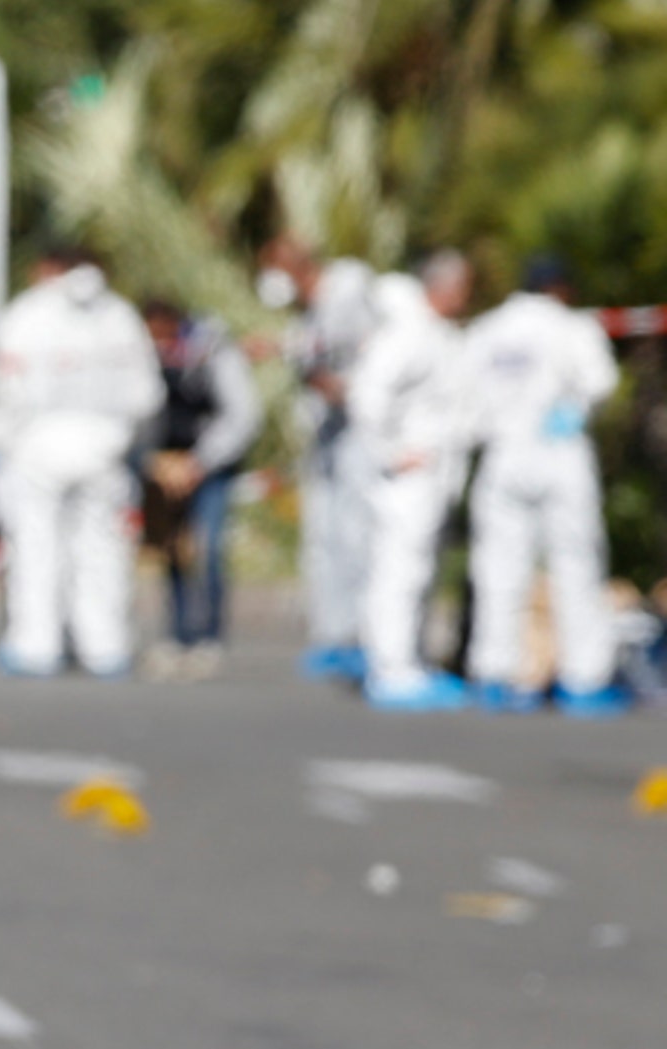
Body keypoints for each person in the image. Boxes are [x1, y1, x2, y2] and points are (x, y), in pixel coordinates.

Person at [0, 248, 164, 678]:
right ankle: (105, 646)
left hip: (35, 450)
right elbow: (146, 395)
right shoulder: (119, 315)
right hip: (104, 452)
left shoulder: (27, 314)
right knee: (102, 552)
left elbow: (0, 389)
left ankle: (36, 646)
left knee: (36, 551)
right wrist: (121, 439)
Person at [462, 256, 629, 717]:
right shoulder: (571, 326)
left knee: (499, 568)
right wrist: (566, 412)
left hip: (502, 456)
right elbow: (600, 383)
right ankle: (584, 680)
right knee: (576, 566)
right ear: (560, 288)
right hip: (560, 455)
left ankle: (495, 674)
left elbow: (466, 398)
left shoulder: (486, 329)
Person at [348, 251, 474, 711]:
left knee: (420, 570)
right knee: (398, 570)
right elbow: (367, 395)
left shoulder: (438, 334)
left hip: (432, 475)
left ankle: (409, 661)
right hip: (407, 478)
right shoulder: (408, 333)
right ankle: (390, 667)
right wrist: (392, 453)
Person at [257, 234, 382, 681]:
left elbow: (370, 352)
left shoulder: (350, 288)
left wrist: (341, 385)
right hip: (327, 435)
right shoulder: (305, 316)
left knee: (357, 535)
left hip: (363, 432)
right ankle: (332, 634)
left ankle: (367, 636)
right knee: (323, 536)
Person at [138, 301, 262, 681]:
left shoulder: (213, 350)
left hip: (209, 468)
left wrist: (200, 463)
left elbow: (242, 415)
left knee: (207, 548)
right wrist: (150, 460)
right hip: (164, 468)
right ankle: (178, 633)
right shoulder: (143, 356)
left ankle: (208, 636)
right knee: (173, 549)